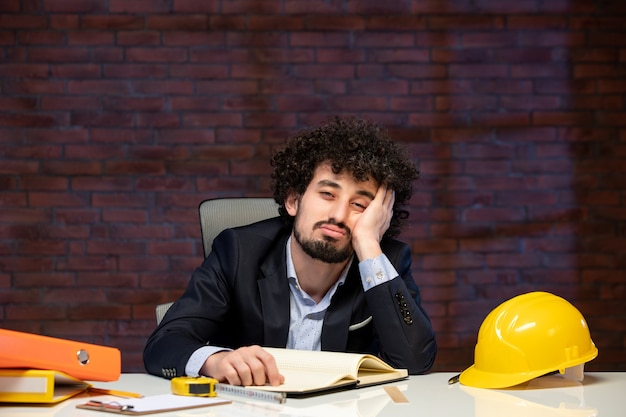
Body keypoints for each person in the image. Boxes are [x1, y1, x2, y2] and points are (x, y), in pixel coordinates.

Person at [143, 116, 437, 386]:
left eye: (359, 204)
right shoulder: (238, 252)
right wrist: (215, 360)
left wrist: (370, 246)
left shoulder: (385, 264)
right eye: (327, 194)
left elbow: (414, 362)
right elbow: (164, 344)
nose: (338, 214)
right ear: (294, 200)